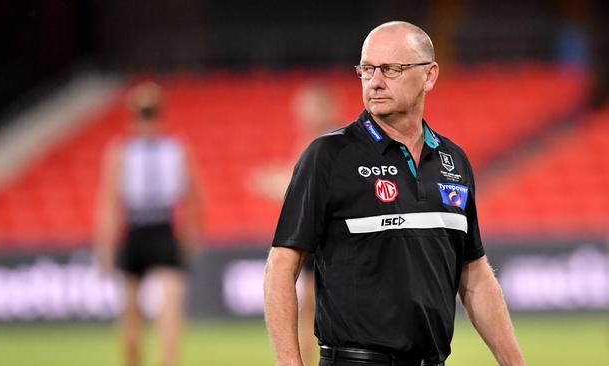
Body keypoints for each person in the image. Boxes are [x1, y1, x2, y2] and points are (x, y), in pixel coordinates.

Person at [263, 21, 526, 366]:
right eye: (367, 69)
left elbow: (473, 274)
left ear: (429, 75)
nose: (375, 81)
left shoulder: (454, 161)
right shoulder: (328, 156)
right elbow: (281, 266)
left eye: (391, 69)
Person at [94, 81, 201, 366]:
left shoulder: (175, 149)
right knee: (132, 318)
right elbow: (109, 203)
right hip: (136, 230)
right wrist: (105, 246)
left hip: (163, 228)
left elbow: (192, 197)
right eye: (144, 114)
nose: (147, 121)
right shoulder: (121, 151)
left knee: (169, 313)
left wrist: (191, 235)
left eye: (149, 113)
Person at [250, 83, 341, 366]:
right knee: (309, 307)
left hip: (332, 233)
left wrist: (269, 181)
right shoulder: (314, 140)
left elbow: (296, 184)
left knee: (320, 307)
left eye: (307, 107)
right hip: (317, 233)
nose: (301, 114)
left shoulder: (332, 140)